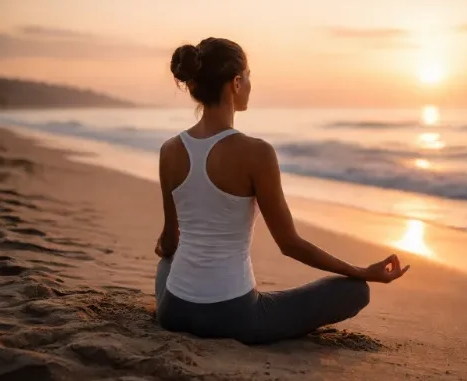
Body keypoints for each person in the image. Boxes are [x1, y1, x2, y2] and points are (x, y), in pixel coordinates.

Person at [154, 37, 410, 345]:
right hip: (235, 317)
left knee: (168, 263)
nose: (250, 84)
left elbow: (169, 241)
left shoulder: (169, 151)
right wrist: (361, 271)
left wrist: (174, 254)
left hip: (173, 312)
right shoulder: (257, 153)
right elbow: (289, 244)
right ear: (236, 82)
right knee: (355, 290)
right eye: (248, 77)